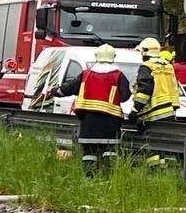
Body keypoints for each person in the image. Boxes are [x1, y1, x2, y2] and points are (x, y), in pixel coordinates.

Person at [55, 43, 131, 174]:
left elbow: (69, 88)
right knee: (109, 149)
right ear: (113, 56)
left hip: (88, 120)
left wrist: (56, 91)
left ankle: (89, 177)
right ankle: (108, 175)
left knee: (89, 151)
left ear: (97, 56)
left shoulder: (86, 74)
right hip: (110, 120)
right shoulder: (118, 75)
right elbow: (125, 96)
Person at [131, 37, 182, 124]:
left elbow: (145, 91)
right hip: (170, 112)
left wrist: (135, 110)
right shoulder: (168, 66)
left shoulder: (146, 67)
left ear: (145, 51)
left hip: (154, 114)